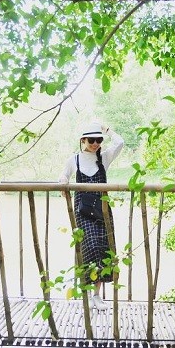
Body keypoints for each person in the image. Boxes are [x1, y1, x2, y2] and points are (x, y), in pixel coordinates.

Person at [58, 121, 124, 310]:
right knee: (89, 248)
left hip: (102, 211)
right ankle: (86, 294)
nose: (95, 143)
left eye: (98, 139)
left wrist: (107, 130)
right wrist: (63, 181)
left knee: (102, 249)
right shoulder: (74, 160)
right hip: (82, 211)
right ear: (83, 140)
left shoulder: (104, 158)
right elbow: (64, 175)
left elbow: (120, 143)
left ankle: (96, 295)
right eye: (91, 140)